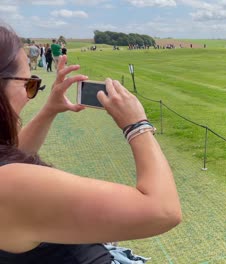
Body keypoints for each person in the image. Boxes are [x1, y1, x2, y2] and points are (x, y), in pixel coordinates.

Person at [0, 24, 181, 263]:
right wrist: (137, 126)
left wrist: (49, 109)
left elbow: (11, 155)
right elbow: (163, 211)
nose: (29, 92)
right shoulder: (11, 185)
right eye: (28, 84)